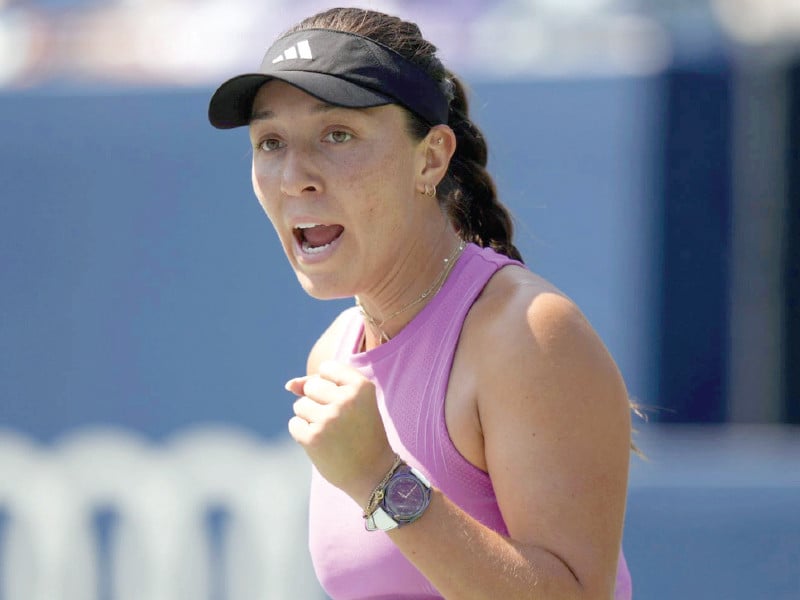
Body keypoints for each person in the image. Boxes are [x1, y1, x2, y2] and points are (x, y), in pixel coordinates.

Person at [208, 7, 633, 599]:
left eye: (337, 135)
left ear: (430, 157)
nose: (293, 177)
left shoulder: (530, 334)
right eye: (271, 142)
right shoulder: (332, 354)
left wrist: (382, 481)